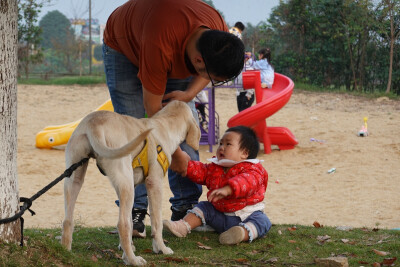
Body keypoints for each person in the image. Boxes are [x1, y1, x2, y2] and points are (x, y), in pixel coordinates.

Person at [102, 0, 245, 238]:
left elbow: (203, 79)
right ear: (198, 62)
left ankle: (186, 207)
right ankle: (135, 211)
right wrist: (176, 155)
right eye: (214, 78)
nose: (213, 82)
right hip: (124, 47)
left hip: (167, 44)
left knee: (186, 127)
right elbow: (153, 111)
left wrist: (189, 94)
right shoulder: (161, 43)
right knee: (135, 132)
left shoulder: (217, 33)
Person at [163, 126, 272, 245]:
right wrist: (187, 167)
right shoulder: (216, 167)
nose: (222, 147)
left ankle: (240, 233)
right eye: (221, 143)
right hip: (220, 215)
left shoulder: (254, 169)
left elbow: (247, 181)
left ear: (244, 153)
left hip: (246, 215)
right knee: (204, 207)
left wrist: (229, 189)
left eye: (228, 144)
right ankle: (182, 226)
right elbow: (202, 171)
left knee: (262, 221)